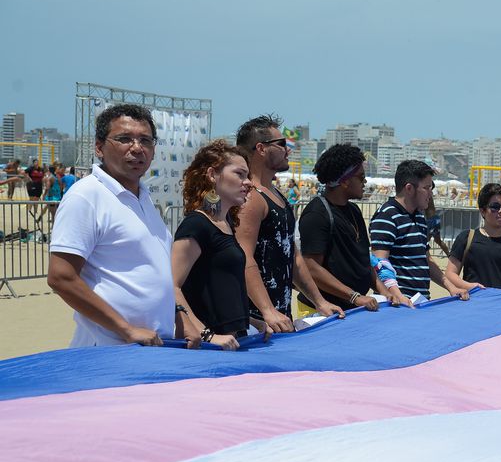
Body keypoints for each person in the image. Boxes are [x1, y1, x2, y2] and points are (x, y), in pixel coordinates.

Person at [47, 104, 174, 347]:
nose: (137, 148)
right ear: (99, 147)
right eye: (124, 139)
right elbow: (61, 277)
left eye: (145, 140)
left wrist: (180, 316)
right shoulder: (86, 196)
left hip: (153, 346)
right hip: (110, 349)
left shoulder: (143, 197)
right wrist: (125, 329)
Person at [235, 114, 344, 333]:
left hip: (279, 320)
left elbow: (293, 256)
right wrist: (267, 310)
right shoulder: (252, 198)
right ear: (261, 148)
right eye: (282, 144)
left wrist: (319, 301)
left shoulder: (276, 196)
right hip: (256, 324)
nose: (288, 149)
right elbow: (243, 257)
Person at [171, 140, 267, 351]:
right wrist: (206, 335)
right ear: (213, 175)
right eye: (240, 174)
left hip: (233, 343)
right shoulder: (196, 225)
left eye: (248, 176)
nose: (249, 182)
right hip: (209, 350)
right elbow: (172, 286)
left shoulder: (225, 223)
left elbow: (221, 289)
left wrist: (252, 322)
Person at [299, 143, 408, 312]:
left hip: (354, 306)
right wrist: (354, 296)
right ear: (344, 181)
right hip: (324, 310)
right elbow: (311, 268)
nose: (365, 181)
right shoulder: (317, 213)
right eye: (360, 177)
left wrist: (384, 290)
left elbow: (363, 262)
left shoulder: (354, 210)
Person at [370, 159, 467, 302]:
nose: (430, 194)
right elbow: (379, 263)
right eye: (427, 188)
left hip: (419, 301)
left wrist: (451, 287)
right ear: (409, 188)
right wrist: (398, 296)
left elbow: (426, 259)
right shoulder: (387, 215)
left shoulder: (419, 217)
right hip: (398, 304)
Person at [445, 183, 501, 292]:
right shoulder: (467, 238)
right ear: (482, 211)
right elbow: (450, 274)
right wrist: (470, 287)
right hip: (473, 304)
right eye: (495, 207)